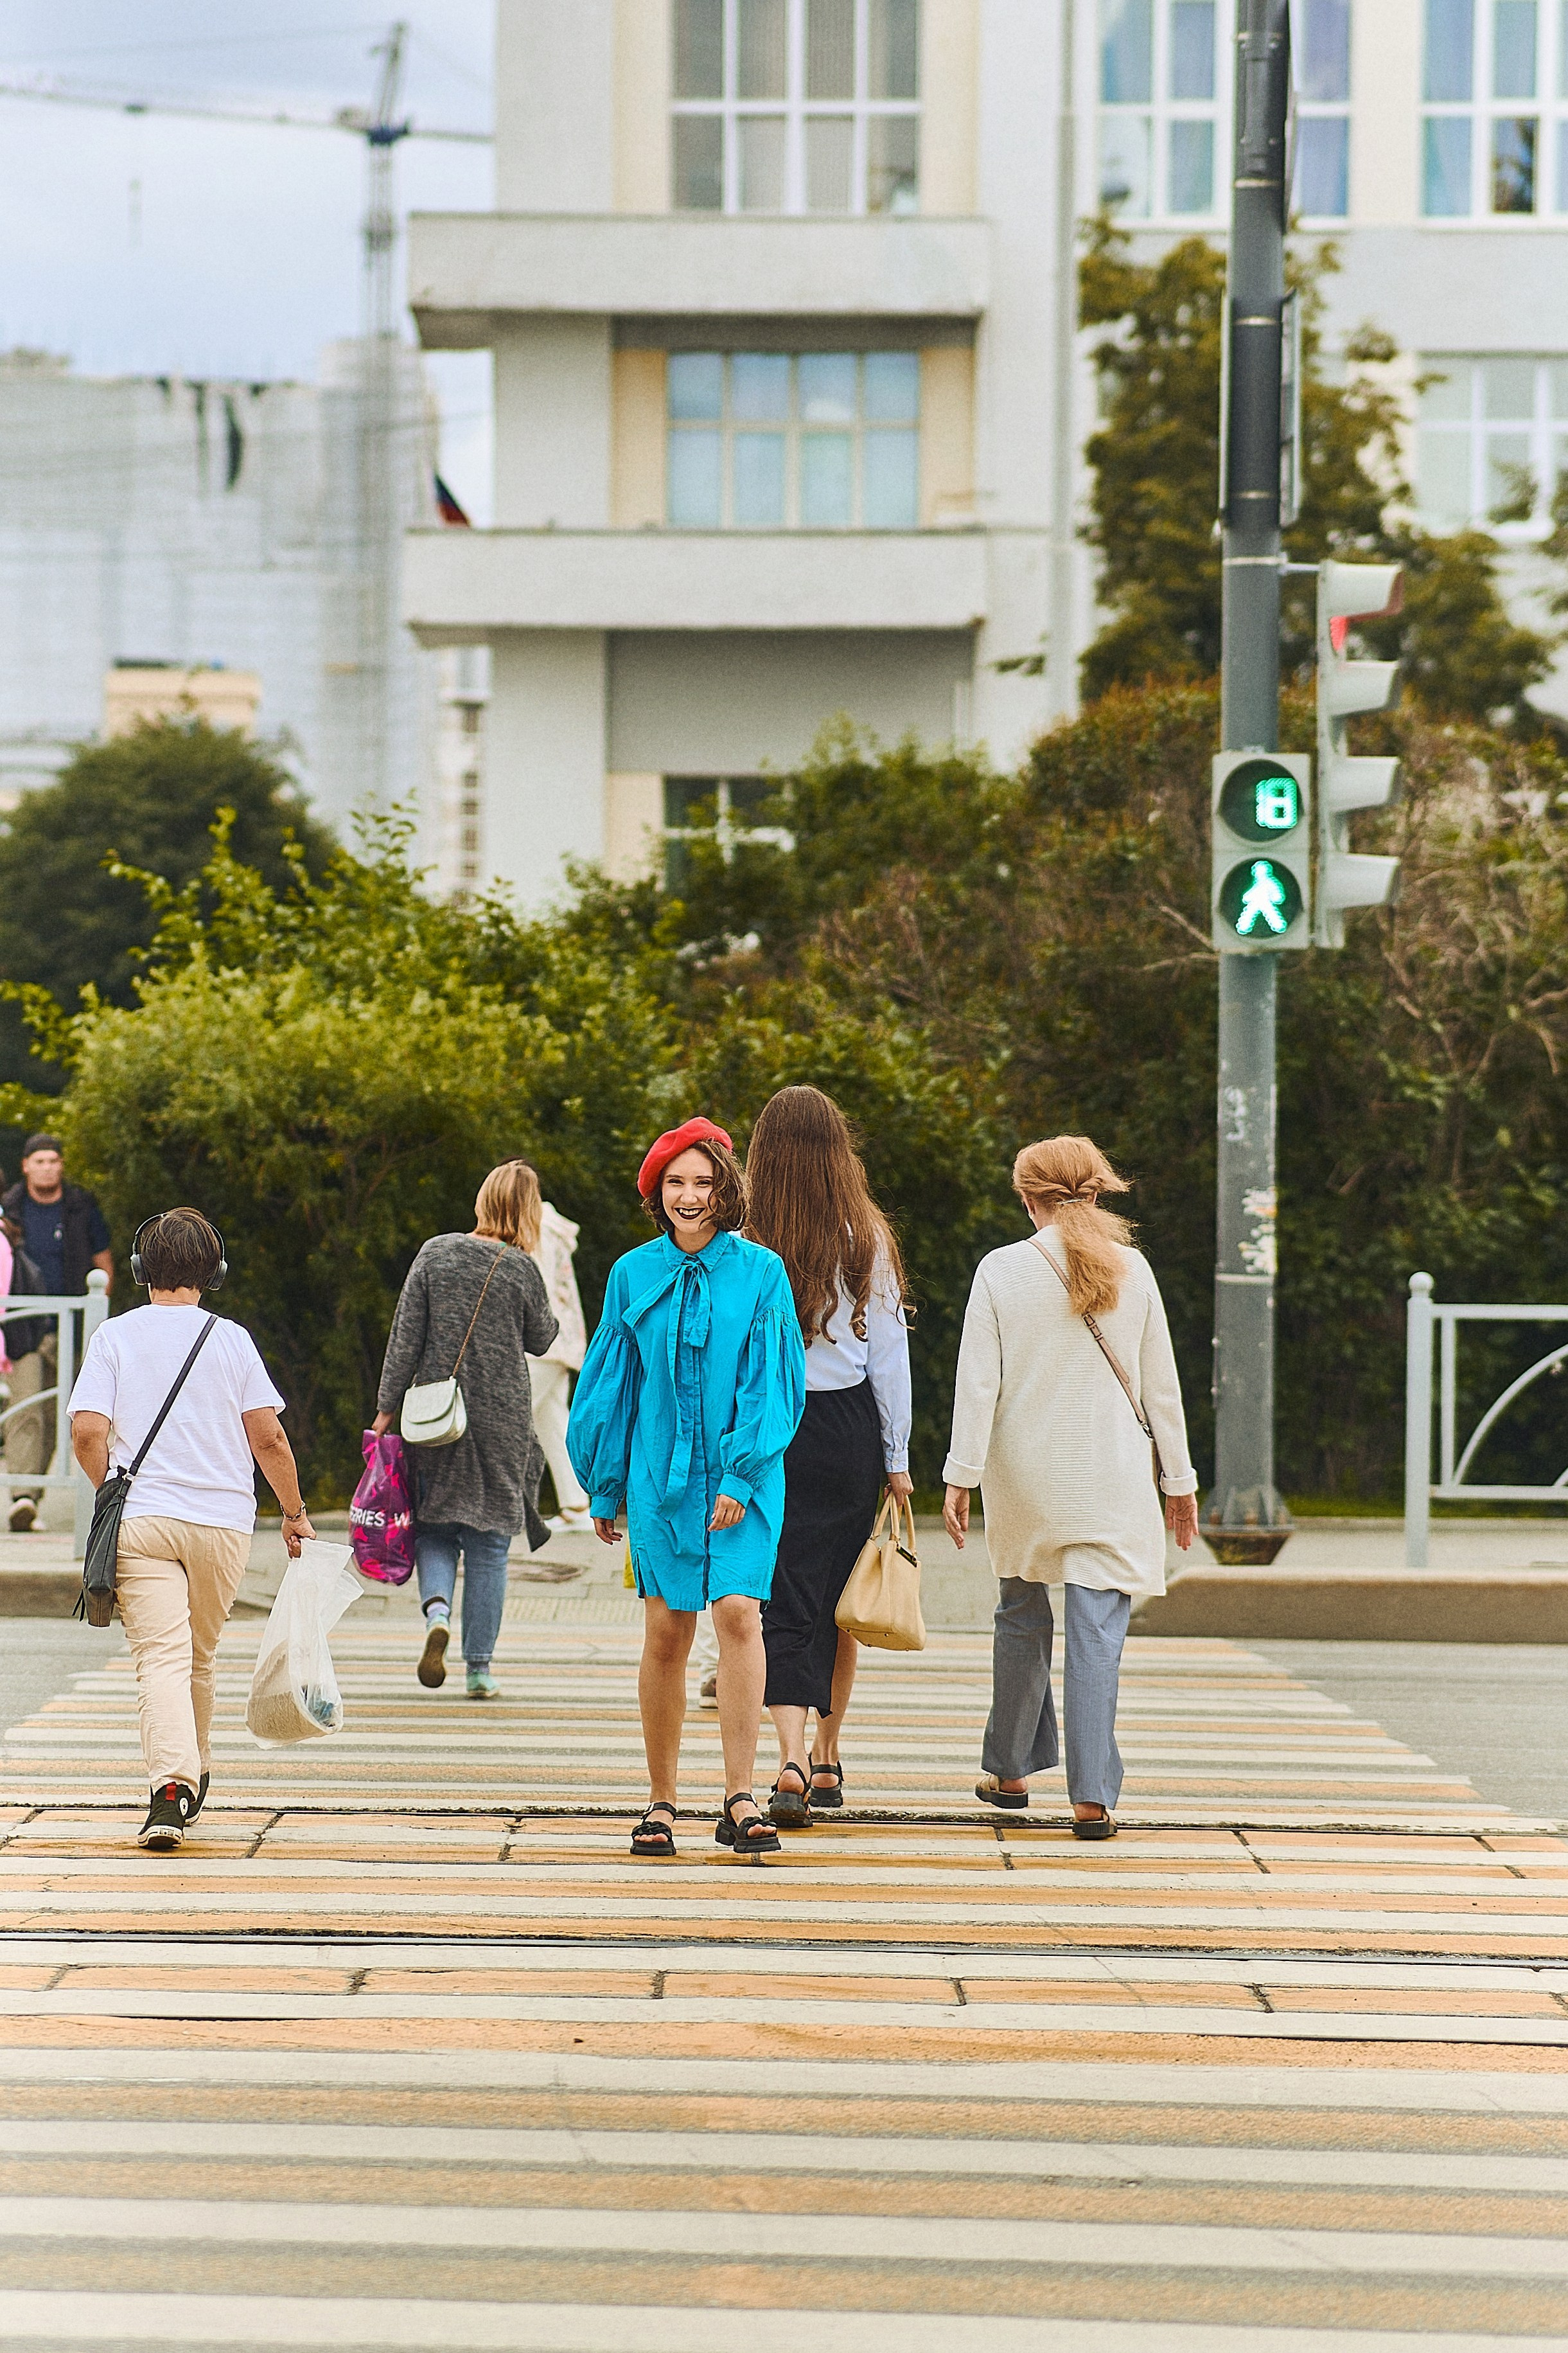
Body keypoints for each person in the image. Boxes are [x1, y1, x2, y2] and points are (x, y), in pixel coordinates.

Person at [942, 1135, 1199, 1839]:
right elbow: (1160, 1388)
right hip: (1110, 1474)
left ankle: (1011, 1768)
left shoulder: (999, 1270)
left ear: (1027, 1198)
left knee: (1020, 1610)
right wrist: (1178, 1481)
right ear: (1095, 1190)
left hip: (1023, 1473)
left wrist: (959, 1475)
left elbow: (977, 1383)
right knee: (1095, 1628)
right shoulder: (1134, 1268)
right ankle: (1091, 1797)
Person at [568, 1116, 805, 1860]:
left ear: (725, 1188)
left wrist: (740, 1470)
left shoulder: (761, 1272)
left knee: (738, 1613)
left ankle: (739, 1794)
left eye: (703, 1182)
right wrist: (605, 1485)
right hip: (658, 1478)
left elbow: (772, 1383)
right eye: (676, 1181)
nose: (690, 1195)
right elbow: (611, 1384)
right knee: (667, 1631)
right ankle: (660, 1798)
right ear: (656, 1190)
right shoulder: (631, 1273)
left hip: (747, 1474)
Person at [67, 1207, 315, 1852]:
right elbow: (269, 1438)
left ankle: (172, 1787)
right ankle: (191, 1773)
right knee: (196, 1655)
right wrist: (293, 1511)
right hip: (222, 1525)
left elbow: (88, 1432)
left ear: (140, 1269)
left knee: (162, 1658)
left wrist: (112, 1489)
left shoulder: (115, 1337)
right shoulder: (231, 1339)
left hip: (143, 1520)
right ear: (215, 1271)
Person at [744, 1085, 913, 1829]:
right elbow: (889, 1355)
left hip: (768, 1425)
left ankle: (781, 1754)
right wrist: (897, 1457)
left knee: (778, 1592)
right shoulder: (864, 1232)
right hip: (846, 1429)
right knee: (842, 1601)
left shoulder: (744, 1234)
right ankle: (826, 1751)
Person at [373, 1161, 558, 1700]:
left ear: (481, 1201)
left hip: (435, 1416)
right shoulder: (521, 1267)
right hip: (501, 1422)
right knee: (490, 1545)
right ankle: (479, 1669)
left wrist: (386, 1409)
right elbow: (543, 1339)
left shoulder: (435, 1252)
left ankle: (436, 1612)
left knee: (433, 1528)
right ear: (527, 1212)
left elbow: (404, 1338)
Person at [3, 1134, 113, 1532]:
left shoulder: (81, 1206)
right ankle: (24, 1495)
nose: (48, 1167)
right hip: (24, 1329)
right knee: (27, 1406)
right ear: (26, 1166)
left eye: (54, 1160)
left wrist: (97, 1325)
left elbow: (104, 1265)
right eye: (40, 1161)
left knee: (62, 1414)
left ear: (62, 1165)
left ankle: (46, 1496)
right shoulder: (10, 1209)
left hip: (77, 1328)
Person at [527, 1193, 592, 1536]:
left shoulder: (537, 1228)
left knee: (509, 1417)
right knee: (551, 1420)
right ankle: (576, 1505)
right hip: (562, 1340)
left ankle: (491, 1508)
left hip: (543, 1342)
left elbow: (540, 1289)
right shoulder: (552, 1226)